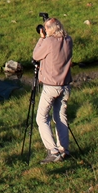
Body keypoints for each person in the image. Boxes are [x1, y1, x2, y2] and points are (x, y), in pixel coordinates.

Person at [32, 17, 74, 163]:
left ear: (50, 29)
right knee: (60, 117)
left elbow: (36, 55)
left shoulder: (48, 42)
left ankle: (53, 151)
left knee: (41, 118)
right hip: (65, 85)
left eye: (46, 28)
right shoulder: (68, 40)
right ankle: (64, 150)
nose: (44, 30)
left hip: (51, 86)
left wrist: (42, 39)